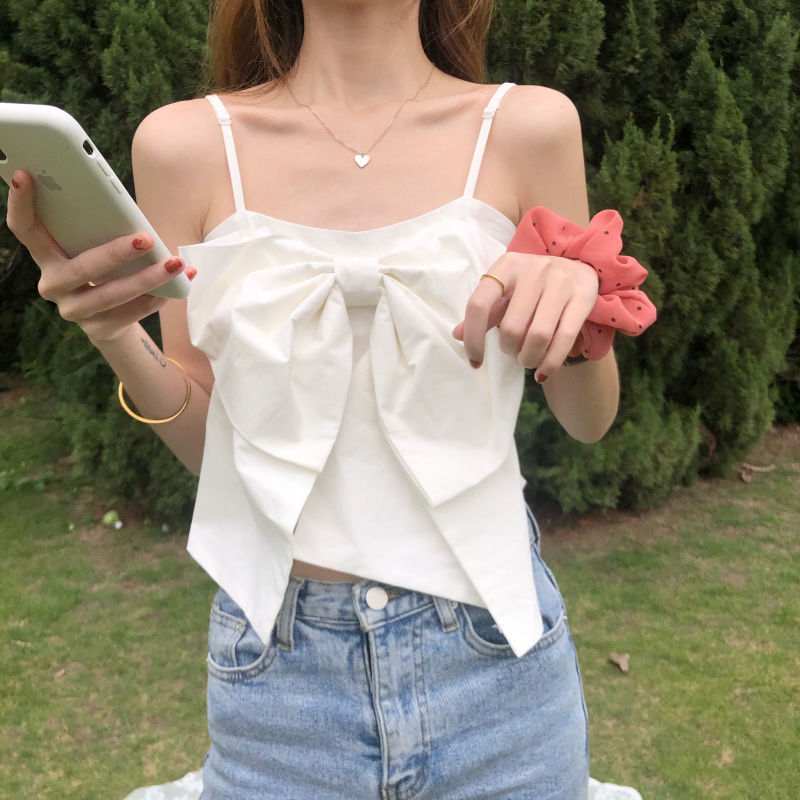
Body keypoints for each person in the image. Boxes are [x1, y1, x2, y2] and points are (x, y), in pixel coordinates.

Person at [6, 1, 651, 798]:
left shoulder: (530, 127)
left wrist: (578, 310)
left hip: (500, 673)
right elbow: (216, 452)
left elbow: (589, 421)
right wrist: (110, 330)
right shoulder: (182, 146)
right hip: (279, 684)